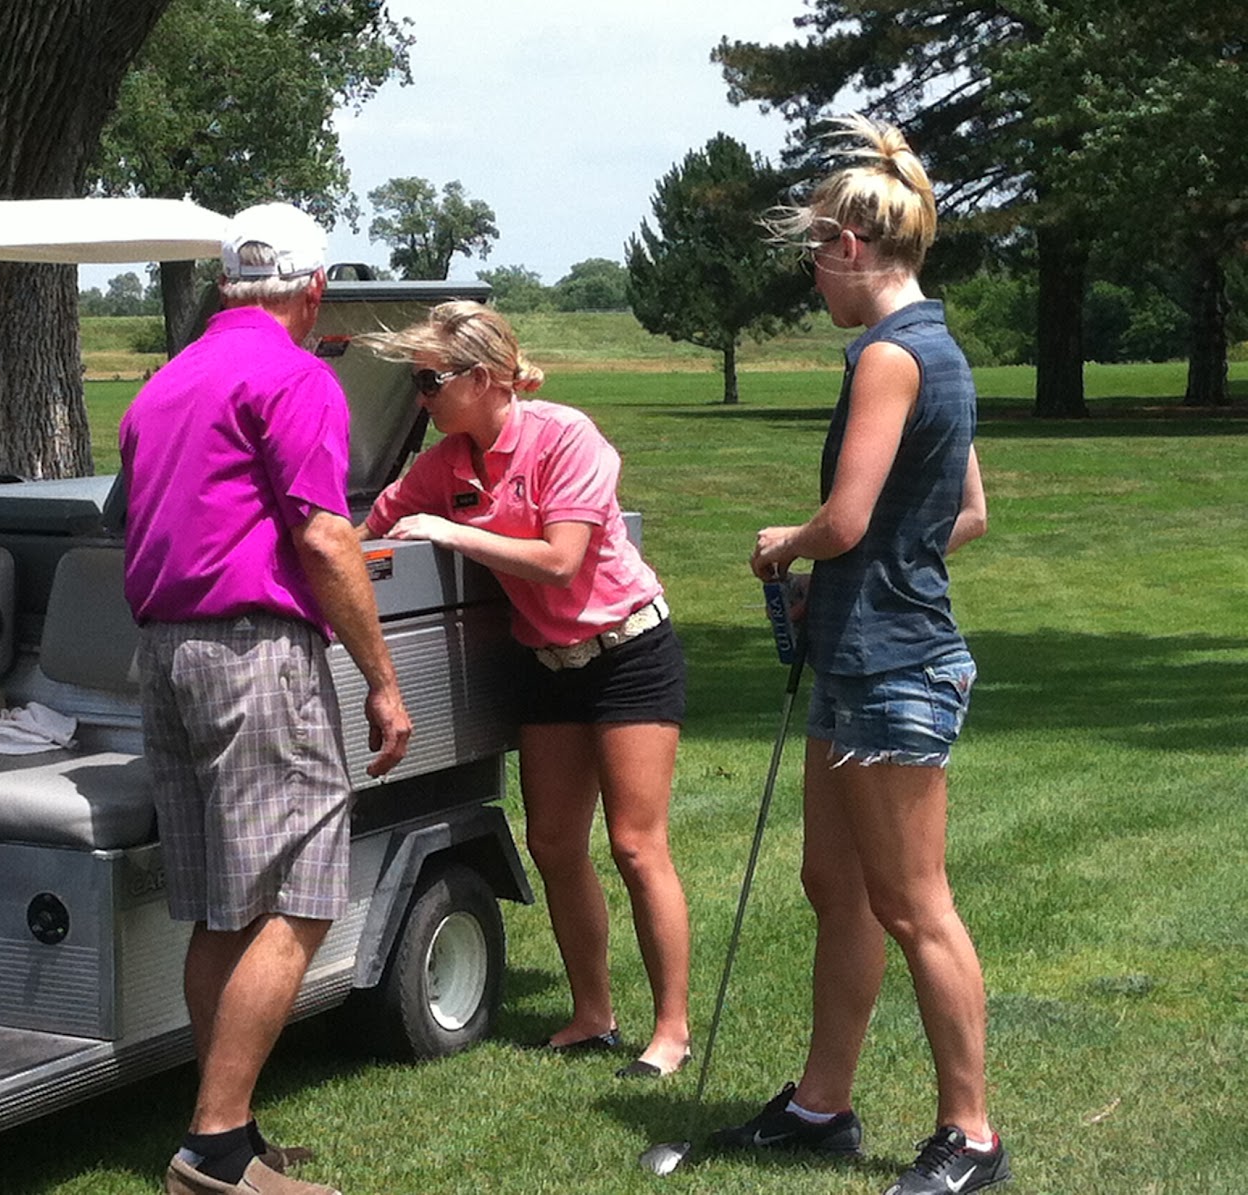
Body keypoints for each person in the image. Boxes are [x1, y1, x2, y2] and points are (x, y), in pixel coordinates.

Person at [709, 115, 1003, 1195]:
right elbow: (964, 512)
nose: (814, 283)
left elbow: (838, 521)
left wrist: (782, 543)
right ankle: (820, 1104)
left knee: (914, 902)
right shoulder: (940, 347)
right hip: (862, 654)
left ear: (848, 248)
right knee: (832, 883)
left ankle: (970, 1135)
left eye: (815, 259)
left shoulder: (887, 354)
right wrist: (880, 551)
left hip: (891, 665)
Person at [120, 201, 413, 1195]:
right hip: (254, 654)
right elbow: (326, 537)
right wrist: (381, 679)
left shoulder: (163, 383)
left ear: (227, 282)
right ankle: (212, 1148)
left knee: (221, 903)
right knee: (300, 895)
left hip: (165, 653)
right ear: (314, 288)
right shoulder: (295, 377)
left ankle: (226, 1131)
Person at [357, 301, 693, 1079]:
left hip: (627, 650)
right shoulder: (446, 463)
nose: (420, 398)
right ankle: (593, 1013)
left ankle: (671, 1028)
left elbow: (560, 560)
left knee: (638, 846)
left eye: (429, 380)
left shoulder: (565, 436)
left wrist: (450, 531)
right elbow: (375, 529)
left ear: (481, 377)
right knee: (552, 843)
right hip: (545, 663)